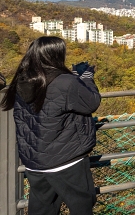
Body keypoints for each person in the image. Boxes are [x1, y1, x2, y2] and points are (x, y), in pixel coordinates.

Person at [1, 36, 101, 215]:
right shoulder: (65, 82)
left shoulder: (22, 80)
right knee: (82, 206)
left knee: (41, 209)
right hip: (66, 160)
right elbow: (91, 102)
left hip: (35, 162)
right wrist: (86, 78)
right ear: (56, 55)